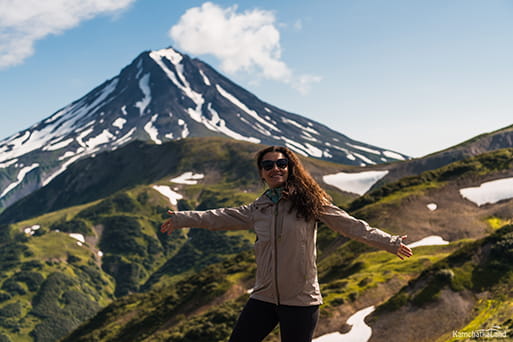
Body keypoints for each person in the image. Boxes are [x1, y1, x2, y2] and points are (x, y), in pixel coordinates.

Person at [160, 145, 413, 342]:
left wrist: (390, 242)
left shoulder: (311, 202)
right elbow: (219, 217)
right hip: (264, 297)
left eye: (282, 163)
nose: (275, 168)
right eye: (268, 165)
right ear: (261, 173)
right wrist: (182, 218)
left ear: (291, 167)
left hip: (301, 301)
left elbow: (351, 225)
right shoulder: (258, 208)